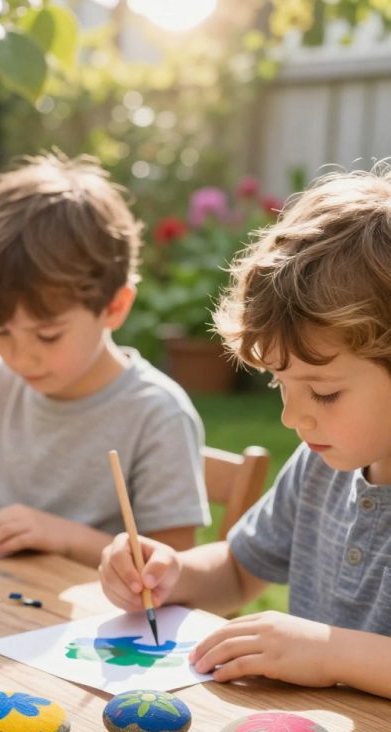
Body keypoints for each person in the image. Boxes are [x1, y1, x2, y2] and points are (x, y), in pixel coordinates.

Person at [100, 166, 391, 698]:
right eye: (282, 384)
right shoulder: (319, 466)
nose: (292, 417)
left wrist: (330, 652)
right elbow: (239, 570)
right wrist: (173, 573)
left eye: (323, 392)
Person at [0, 153, 209, 567]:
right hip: (1, 609)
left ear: (115, 307)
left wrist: (61, 537)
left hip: (99, 623)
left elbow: (175, 566)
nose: (20, 354)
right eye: (1, 328)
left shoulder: (157, 415)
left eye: (47, 334)